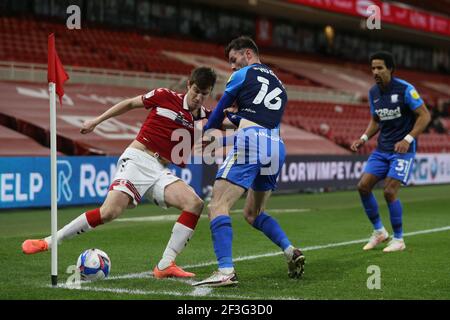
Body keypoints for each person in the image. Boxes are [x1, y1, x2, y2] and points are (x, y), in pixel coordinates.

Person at [22, 67, 217, 279]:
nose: (198, 97)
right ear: (189, 85)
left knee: (195, 204)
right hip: (138, 159)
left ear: (210, 93)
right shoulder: (165, 96)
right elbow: (129, 103)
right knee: (109, 212)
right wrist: (96, 121)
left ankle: (165, 265)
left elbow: (230, 121)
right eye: (196, 90)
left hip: (160, 170)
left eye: (204, 93)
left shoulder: (205, 117)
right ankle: (49, 242)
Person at [193, 36, 305, 287]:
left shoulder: (242, 76)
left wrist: (206, 132)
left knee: (217, 206)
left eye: (234, 60)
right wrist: (228, 119)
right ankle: (290, 251)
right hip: (276, 146)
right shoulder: (280, 84)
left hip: (251, 143)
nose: (231, 67)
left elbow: (223, 107)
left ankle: (225, 270)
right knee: (253, 213)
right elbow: (251, 116)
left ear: (248, 55)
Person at [351, 51, 431, 252]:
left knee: (389, 191)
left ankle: (399, 239)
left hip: (403, 150)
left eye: (380, 68)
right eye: (373, 68)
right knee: (363, 186)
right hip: (382, 149)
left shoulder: (405, 89)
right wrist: (363, 138)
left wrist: (408, 138)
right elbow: (376, 120)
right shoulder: (373, 93)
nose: (375, 72)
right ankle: (379, 231)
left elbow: (425, 116)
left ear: (390, 69)